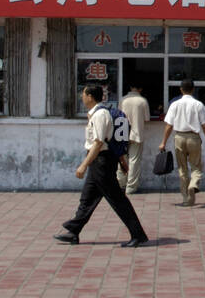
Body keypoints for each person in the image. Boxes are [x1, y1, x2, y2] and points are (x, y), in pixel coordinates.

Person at [55, 84, 149, 247]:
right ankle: (73, 231)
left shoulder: (100, 115)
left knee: (117, 200)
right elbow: (110, 140)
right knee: (87, 198)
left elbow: (99, 143)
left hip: (101, 162)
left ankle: (138, 234)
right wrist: (121, 161)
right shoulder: (97, 114)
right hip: (100, 162)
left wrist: (83, 165)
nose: (81, 97)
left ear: (90, 97)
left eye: (83, 94)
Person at [159, 79, 205, 207]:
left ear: (181, 90)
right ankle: (194, 184)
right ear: (193, 89)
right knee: (195, 166)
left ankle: (186, 199)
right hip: (194, 138)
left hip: (179, 137)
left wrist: (163, 142)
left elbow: (169, 125)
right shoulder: (198, 104)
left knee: (182, 169)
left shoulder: (175, 104)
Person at [117, 84, 150, 195]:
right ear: (140, 88)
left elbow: (118, 115)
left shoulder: (123, 100)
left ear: (130, 87)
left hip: (122, 134)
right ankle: (131, 187)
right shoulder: (142, 101)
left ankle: (121, 184)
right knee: (134, 161)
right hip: (137, 134)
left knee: (122, 159)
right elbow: (147, 119)